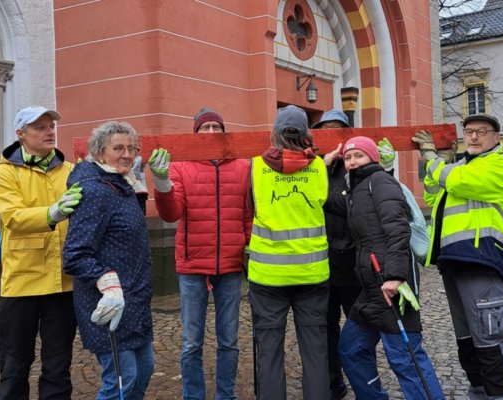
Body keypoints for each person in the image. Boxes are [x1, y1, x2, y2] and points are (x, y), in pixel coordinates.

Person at [323, 136, 445, 400]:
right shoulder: (354, 191)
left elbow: (398, 230)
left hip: (392, 287)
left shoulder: (381, 183)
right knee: (351, 349)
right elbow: (324, 199)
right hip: (369, 290)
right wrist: (323, 165)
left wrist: (395, 276)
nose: (352, 162)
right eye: (348, 157)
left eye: (359, 156)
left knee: (406, 359)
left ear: (373, 158)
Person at [148, 108, 252, 400]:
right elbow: (171, 214)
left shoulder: (243, 165)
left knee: (229, 341)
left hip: (230, 265)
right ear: (195, 134)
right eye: (204, 128)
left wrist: (249, 245)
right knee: (191, 342)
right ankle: (193, 396)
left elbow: (247, 214)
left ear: (224, 132)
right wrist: (162, 183)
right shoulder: (181, 165)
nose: (210, 133)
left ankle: (225, 395)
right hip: (193, 265)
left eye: (215, 127)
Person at [412, 113, 503, 400]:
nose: (473, 137)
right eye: (469, 131)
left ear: (496, 137)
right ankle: (479, 394)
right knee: (467, 343)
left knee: (489, 342)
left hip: (482, 261)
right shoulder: (458, 166)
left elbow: (455, 181)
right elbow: (433, 196)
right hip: (454, 262)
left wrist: (433, 159)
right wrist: (437, 164)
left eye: (481, 132)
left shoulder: (498, 165)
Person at [0, 105, 80, 400]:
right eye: (39, 127)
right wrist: (52, 213)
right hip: (22, 283)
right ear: (21, 134)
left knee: (58, 366)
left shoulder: (68, 170)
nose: (49, 132)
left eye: (51, 126)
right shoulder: (4, 174)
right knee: (15, 365)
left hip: (62, 282)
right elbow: (12, 217)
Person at [62, 121, 154, 399]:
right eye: (118, 148)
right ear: (100, 153)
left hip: (135, 301)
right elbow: (75, 255)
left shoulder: (122, 187)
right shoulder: (93, 191)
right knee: (121, 383)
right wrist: (107, 282)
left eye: (131, 148)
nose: (127, 154)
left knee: (143, 372)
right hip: (108, 303)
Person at [248, 105, 330, 400]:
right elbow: (322, 198)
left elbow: (250, 207)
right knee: (315, 350)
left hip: (268, 276)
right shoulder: (318, 166)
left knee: (269, 352)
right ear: (306, 134)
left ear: (275, 133)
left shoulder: (256, 166)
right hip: (312, 273)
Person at [311, 109, 360, 399]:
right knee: (325, 330)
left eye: (336, 129)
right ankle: (333, 382)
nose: (330, 134)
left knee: (357, 330)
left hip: (351, 265)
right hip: (320, 264)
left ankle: (361, 379)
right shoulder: (313, 167)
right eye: (324, 129)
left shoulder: (354, 167)